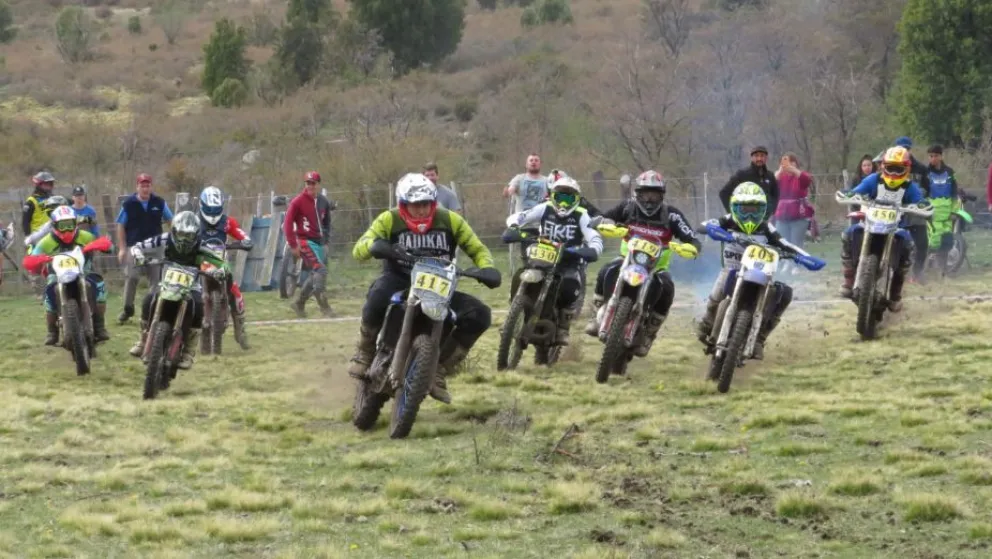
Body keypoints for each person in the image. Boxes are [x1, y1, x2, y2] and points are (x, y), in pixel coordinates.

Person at [349, 173, 502, 404]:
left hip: (439, 285)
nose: (420, 211)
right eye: (415, 206)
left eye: (425, 205)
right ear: (403, 205)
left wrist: (487, 268)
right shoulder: (388, 219)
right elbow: (358, 250)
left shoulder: (450, 220)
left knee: (480, 315)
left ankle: (439, 368)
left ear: (433, 203)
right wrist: (375, 245)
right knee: (378, 294)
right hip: (400, 279)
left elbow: (478, 249)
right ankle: (365, 350)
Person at [585, 170, 702, 357]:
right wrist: (603, 222)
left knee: (668, 287)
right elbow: (607, 216)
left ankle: (649, 333)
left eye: (654, 194)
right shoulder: (627, 208)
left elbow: (691, 237)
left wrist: (692, 246)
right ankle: (596, 311)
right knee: (606, 269)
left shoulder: (671, 215)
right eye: (645, 193)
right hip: (627, 259)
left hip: (656, 267)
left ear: (661, 195)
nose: (649, 199)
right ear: (637, 193)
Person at [697, 183, 806, 359]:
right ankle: (707, 323)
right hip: (732, 269)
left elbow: (785, 244)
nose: (749, 215)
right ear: (734, 207)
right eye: (745, 209)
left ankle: (759, 339)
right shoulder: (728, 220)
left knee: (784, 293)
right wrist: (712, 229)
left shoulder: (766, 228)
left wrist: (804, 257)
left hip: (760, 274)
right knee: (715, 298)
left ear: (763, 211)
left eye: (755, 210)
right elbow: (705, 225)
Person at [505, 174, 603, 345]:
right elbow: (522, 216)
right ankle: (514, 313)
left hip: (568, 259)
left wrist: (592, 248)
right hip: (543, 254)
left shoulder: (582, 215)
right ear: (552, 196)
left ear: (576, 199)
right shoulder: (545, 208)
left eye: (568, 197)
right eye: (560, 197)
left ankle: (564, 327)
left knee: (571, 284)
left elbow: (593, 236)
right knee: (522, 272)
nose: (563, 203)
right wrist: (514, 225)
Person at [128, 211, 230, 369]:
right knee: (149, 298)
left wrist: (217, 270)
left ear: (196, 235)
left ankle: (189, 351)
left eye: (188, 235)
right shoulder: (164, 239)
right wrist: (139, 255)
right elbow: (138, 246)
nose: (183, 239)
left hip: (191, 286)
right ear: (174, 231)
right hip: (167, 284)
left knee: (198, 305)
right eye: (181, 234)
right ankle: (143, 340)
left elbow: (221, 263)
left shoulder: (203, 245)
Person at [838, 146, 927, 312]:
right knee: (849, 233)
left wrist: (922, 204)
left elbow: (919, 200)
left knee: (907, 243)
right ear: (883, 166)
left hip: (896, 227)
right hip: (870, 223)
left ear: (906, 169)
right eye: (890, 168)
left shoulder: (910, 186)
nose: (893, 173)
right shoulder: (873, 180)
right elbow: (857, 191)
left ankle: (895, 293)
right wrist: (849, 194)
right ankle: (849, 280)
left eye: (898, 169)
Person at [22, 206, 112, 345]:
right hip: (56, 274)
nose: (67, 229)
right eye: (62, 226)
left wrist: (99, 245)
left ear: (76, 223)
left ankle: (100, 326)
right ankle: (52, 331)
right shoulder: (46, 241)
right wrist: (38, 259)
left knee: (98, 284)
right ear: (55, 225)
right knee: (50, 292)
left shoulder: (85, 236)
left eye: (70, 224)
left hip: (84, 271)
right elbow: (30, 259)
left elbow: (108, 246)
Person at [198, 185, 253, 350]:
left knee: (235, 293)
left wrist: (245, 240)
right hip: (199, 261)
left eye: (216, 210)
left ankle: (240, 329)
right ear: (202, 206)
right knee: (184, 290)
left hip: (221, 259)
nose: (213, 214)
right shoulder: (195, 221)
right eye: (209, 209)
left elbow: (239, 232)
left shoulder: (226, 221)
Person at [116, 173, 174, 323]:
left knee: (156, 281)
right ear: (137, 187)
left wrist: (175, 239)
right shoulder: (128, 204)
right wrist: (122, 248)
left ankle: (151, 311)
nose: (145, 188)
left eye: (147, 185)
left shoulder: (159, 202)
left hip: (155, 247)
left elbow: (171, 221)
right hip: (134, 247)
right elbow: (121, 226)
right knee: (132, 277)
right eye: (142, 185)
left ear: (151, 187)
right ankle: (127, 309)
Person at [284, 171, 333, 318]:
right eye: (308, 183)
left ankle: (299, 303)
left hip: (320, 243)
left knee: (315, 274)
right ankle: (324, 307)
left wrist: (326, 241)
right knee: (321, 270)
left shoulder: (324, 202)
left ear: (318, 185)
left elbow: (327, 223)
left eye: (313, 183)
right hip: (305, 241)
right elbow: (287, 224)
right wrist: (293, 245)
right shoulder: (298, 202)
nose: (311, 186)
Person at [772, 152, 815, 264]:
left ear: (796, 163)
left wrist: (794, 170)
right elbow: (770, 185)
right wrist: (780, 171)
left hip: (799, 215)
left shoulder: (801, 175)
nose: (788, 164)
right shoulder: (780, 176)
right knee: (782, 242)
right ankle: (787, 263)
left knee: (796, 243)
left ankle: (797, 264)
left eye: (791, 162)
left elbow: (806, 180)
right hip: (782, 215)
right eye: (785, 162)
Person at [925, 145, 960, 270]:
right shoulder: (926, 173)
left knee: (947, 240)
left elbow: (955, 193)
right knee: (934, 240)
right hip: (932, 212)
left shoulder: (950, 172)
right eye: (931, 156)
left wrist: (955, 211)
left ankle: (942, 271)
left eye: (936, 156)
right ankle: (923, 268)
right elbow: (922, 192)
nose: (933, 158)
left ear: (941, 156)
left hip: (947, 212)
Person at [719, 146, 779, 214]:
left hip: (762, 218)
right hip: (743, 218)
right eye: (756, 156)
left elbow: (776, 195)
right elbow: (724, 193)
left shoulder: (770, 176)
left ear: (766, 158)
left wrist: (771, 211)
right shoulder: (742, 174)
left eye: (762, 156)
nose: (759, 159)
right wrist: (731, 212)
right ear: (751, 158)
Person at [21, 171, 57, 239]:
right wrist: (28, 238)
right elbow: (25, 222)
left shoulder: (54, 199)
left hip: (52, 236)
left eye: (50, 184)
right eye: (46, 184)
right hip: (37, 237)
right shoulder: (31, 201)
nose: (48, 187)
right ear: (39, 185)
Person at [849, 155, 877, 225]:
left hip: (875, 211)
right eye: (864, 165)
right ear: (861, 167)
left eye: (869, 165)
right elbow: (852, 194)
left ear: (873, 166)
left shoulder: (878, 178)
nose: (866, 167)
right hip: (858, 210)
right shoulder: (856, 179)